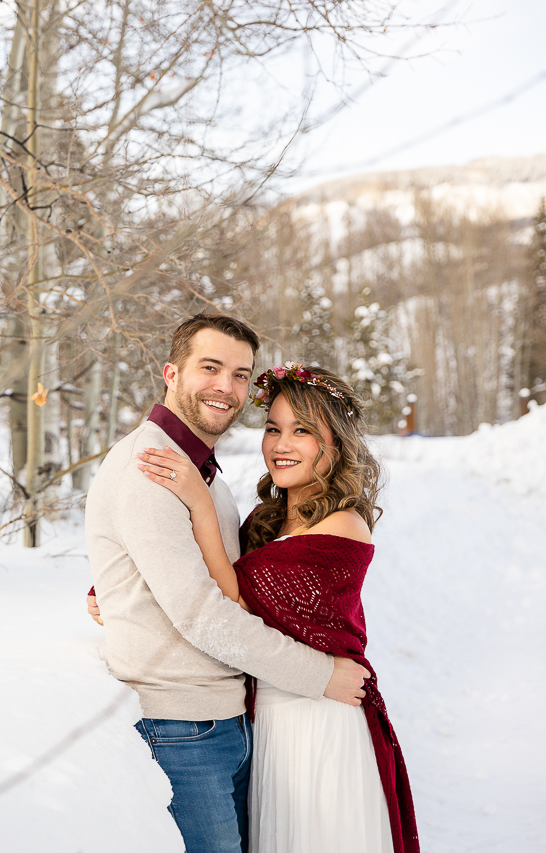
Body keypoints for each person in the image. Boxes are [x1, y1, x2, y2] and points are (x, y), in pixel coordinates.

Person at [84, 314, 370, 853]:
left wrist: (118, 590)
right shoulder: (150, 468)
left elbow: (221, 576)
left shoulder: (199, 472)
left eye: (241, 374)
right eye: (210, 367)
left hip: (229, 720)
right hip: (184, 725)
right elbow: (203, 614)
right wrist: (319, 674)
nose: (227, 386)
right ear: (171, 372)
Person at [135, 363, 419, 853]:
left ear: (336, 443)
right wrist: (132, 590)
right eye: (273, 428)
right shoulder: (271, 516)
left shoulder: (343, 526)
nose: (280, 444)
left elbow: (233, 601)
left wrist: (198, 502)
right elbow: (204, 573)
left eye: (302, 431)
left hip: (320, 723)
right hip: (270, 723)